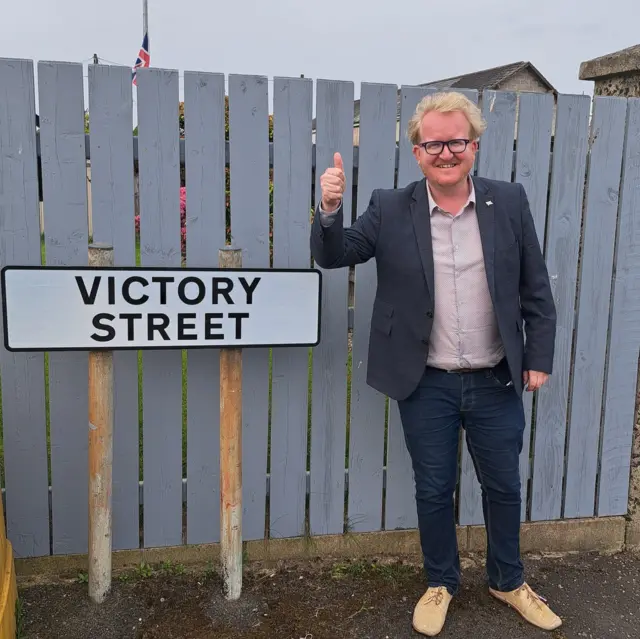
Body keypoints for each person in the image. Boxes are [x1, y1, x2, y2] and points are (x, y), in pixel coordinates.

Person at [310, 91, 560, 637]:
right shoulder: (389, 207)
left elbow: (534, 287)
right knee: (433, 487)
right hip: (426, 382)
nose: (445, 153)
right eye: (432, 144)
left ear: (473, 145)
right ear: (417, 150)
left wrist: (537, 355)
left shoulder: (509, 201)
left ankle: (508, 580)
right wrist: (329, 209)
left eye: (456, 142)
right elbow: (334, 256)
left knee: (503, 487)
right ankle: (441, 582)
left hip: (496, 378)